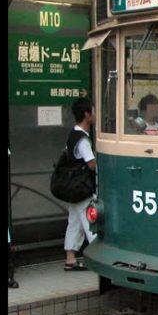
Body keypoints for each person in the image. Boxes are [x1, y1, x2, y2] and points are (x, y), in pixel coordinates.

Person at [63, 98, 97, 271]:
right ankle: (99, 257)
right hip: (82, 188)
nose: (96, 114)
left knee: (74, 222)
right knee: (91, 221)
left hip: (72, 187)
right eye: (94, 111)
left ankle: (70, 259)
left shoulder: (72, 134)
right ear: (87, 114)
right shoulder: (83, 140)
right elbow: (91, 164)